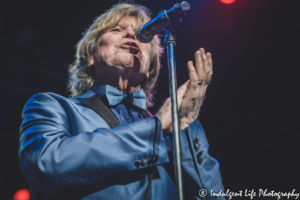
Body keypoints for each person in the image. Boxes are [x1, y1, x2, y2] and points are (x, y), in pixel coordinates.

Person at [19, 3, 225, 200]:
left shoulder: (172, 133)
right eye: (117, 29)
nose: (131, 35)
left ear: (149, 68)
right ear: (91, 55)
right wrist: (155, 128)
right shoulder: (51, 106)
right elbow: (46, 165)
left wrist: (187, 124)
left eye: (142, 34)